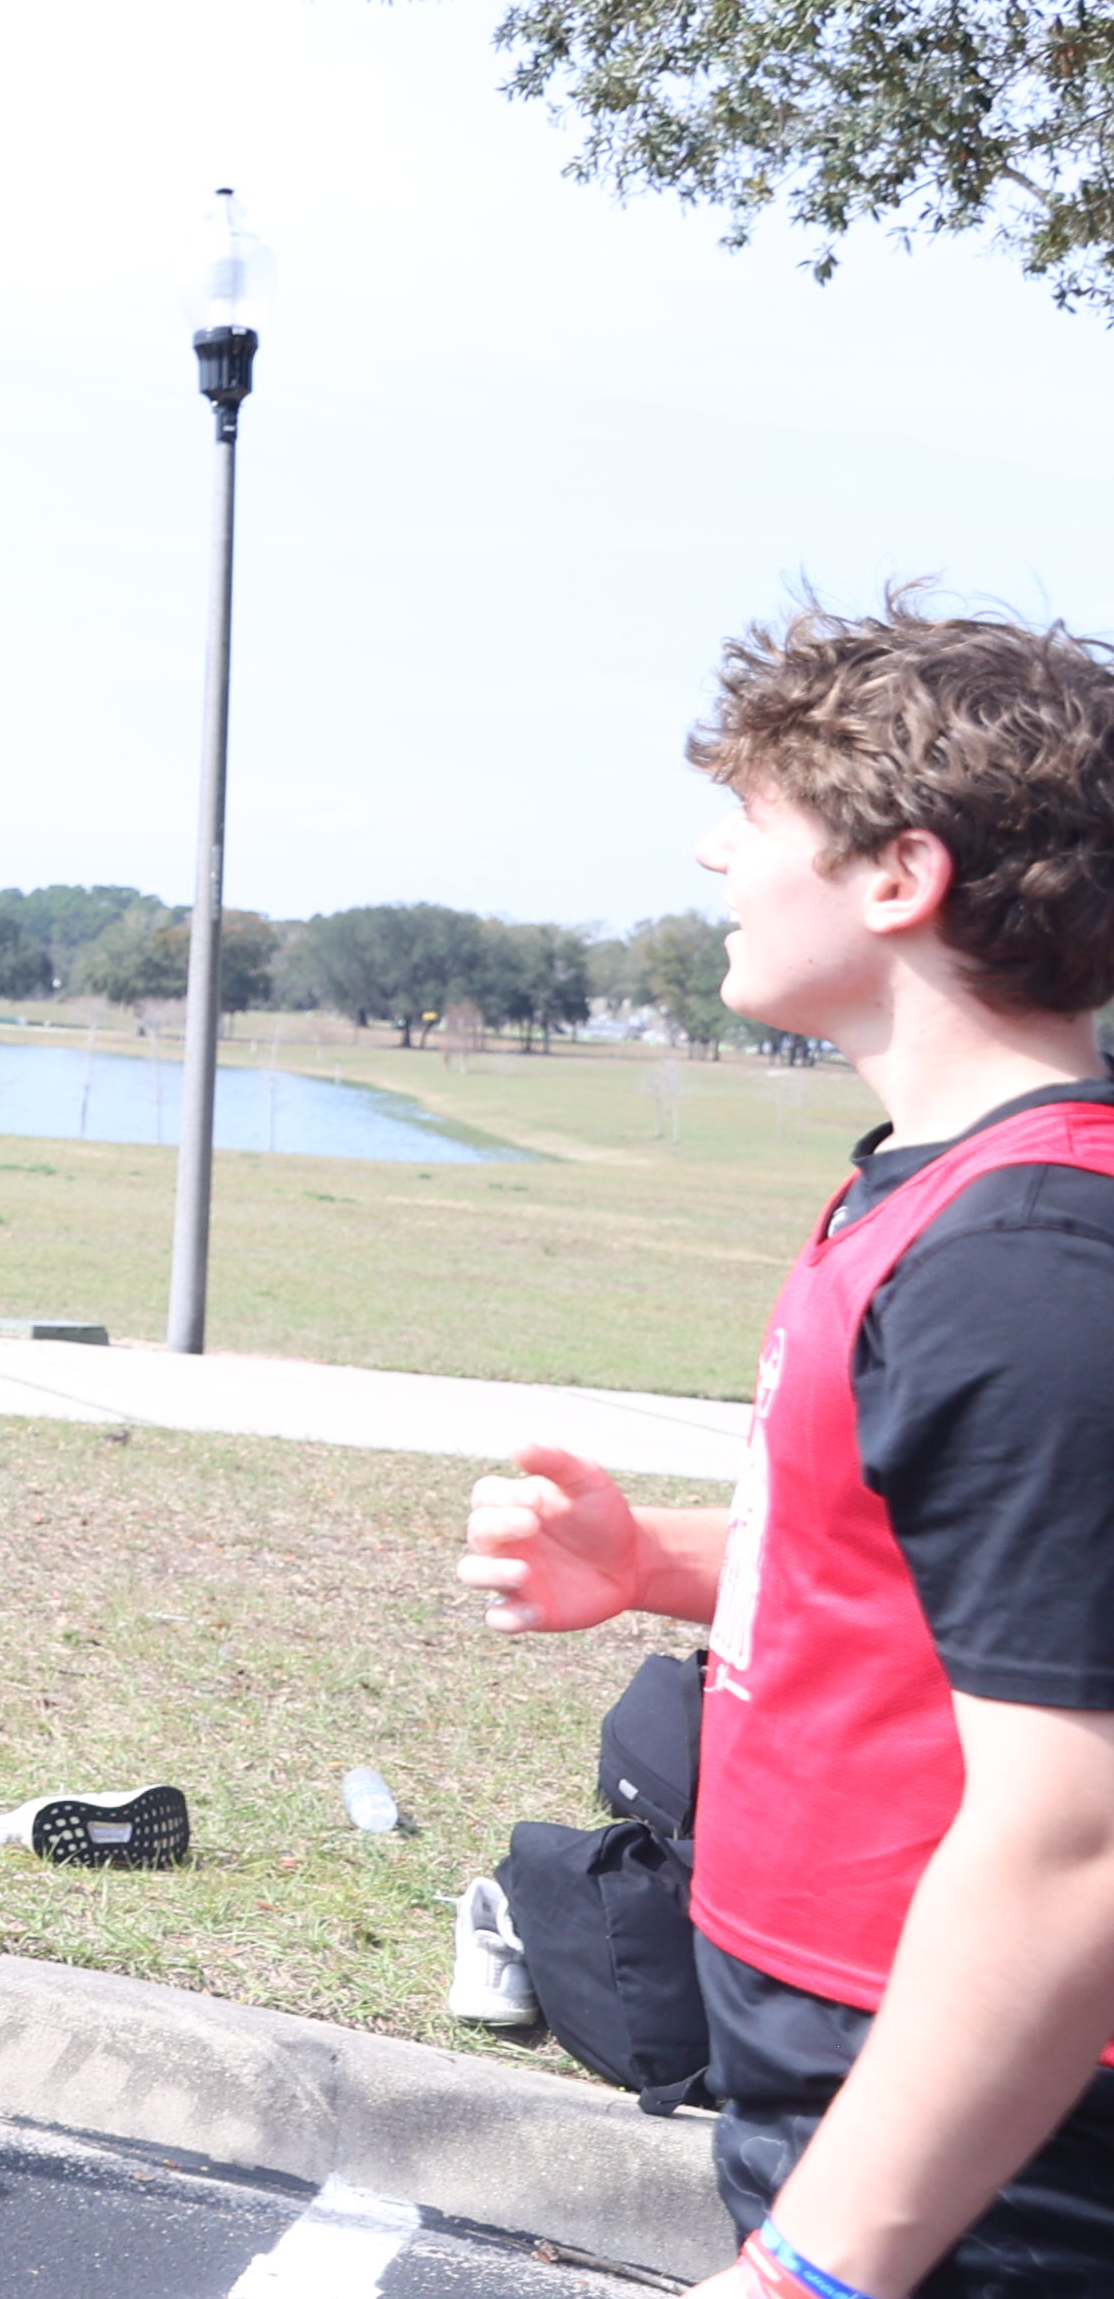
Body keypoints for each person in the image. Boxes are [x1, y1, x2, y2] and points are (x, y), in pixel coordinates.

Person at [457, 601, 1114, 2299]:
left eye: (750, 818)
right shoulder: (928, 1189)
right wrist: (658, 1565)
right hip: (848, 2067)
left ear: (897, 875)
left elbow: (1079, 1838)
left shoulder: (1021, 1261)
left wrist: (818, 2269)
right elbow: (959, 1575)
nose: (707, 850)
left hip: (987, 2156)